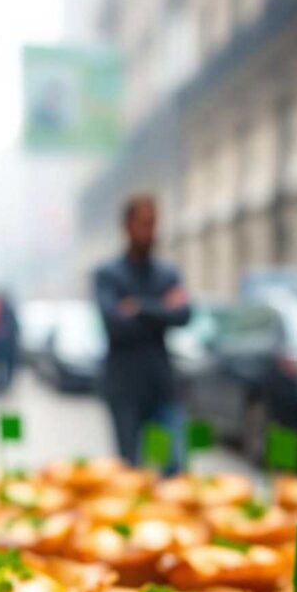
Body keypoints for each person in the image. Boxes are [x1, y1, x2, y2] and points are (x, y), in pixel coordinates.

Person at [93, 194, 191, 470]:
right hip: (124, 389)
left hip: (162, 386)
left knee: (173, 467)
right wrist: (161, 310)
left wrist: (138, 307)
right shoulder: (108, 274)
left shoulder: (167, 272)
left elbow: (183, 315)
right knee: (130, 471)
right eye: (144, 223)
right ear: (127, 226)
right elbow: (115, 325)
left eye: (153, 223)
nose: (150, 232)